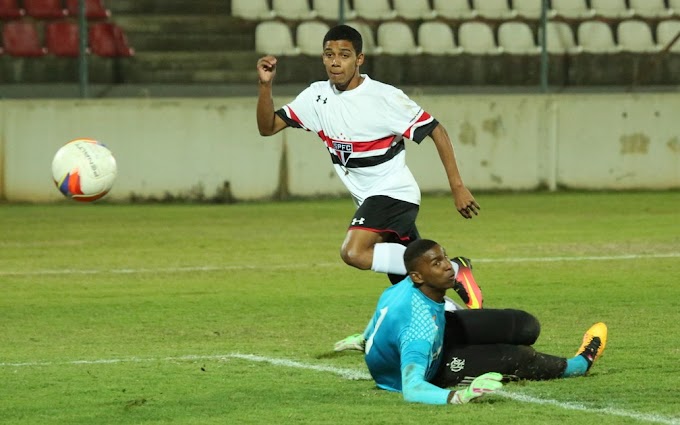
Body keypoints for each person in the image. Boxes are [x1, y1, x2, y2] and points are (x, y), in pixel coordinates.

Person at [256, 24, 482, 349]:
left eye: (344, 55)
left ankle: (452, 268)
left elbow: (436, 130)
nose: (336, 62)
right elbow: (267, 127)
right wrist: (265, 86)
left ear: (359, 59)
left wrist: (457, 186)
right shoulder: (316, 97)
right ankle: (464, 325)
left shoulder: (383, 97)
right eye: (329, 55)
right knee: (413, 286)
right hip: (370, 202)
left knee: (354, 252)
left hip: (394, 194)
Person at [363, 238, 608, 405]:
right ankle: (579, 365)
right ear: (417, 276)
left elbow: (379, 322)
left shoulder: (403, 290)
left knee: (525, 325)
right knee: (518, 357)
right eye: (437, 264)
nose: (448, 266)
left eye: (445, 258)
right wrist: (459, 397)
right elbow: (412, 389)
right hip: (432, 366)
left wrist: (364, 339)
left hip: (439, 328)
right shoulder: (419, 331)